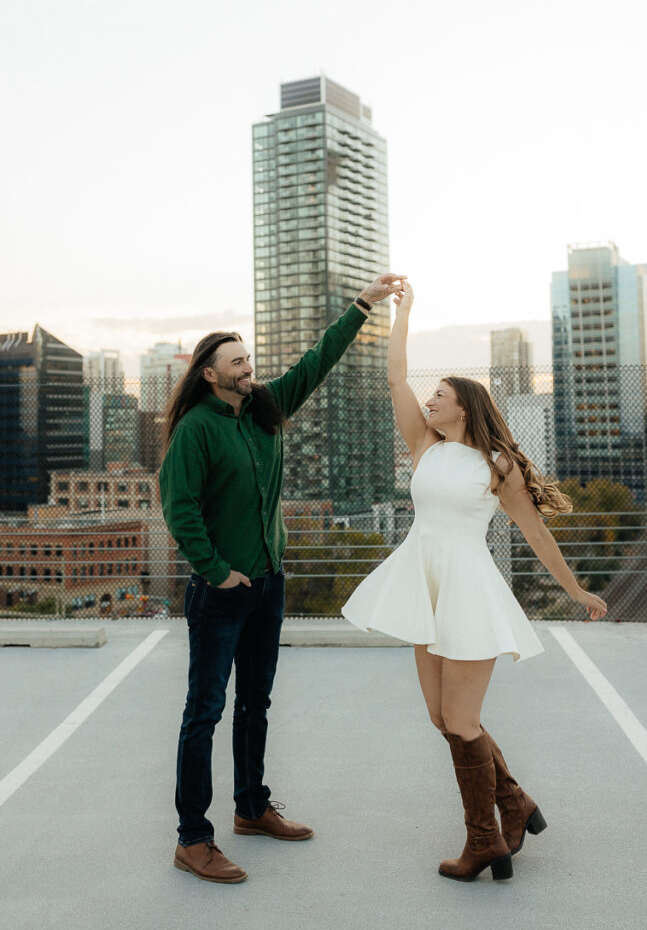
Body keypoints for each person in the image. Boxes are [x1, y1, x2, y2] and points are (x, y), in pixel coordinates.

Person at [342, 281, 607, 883]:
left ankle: (485, 840)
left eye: (440, 395)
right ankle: (513, 803)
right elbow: (395, 376)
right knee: (443, 720)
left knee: (462, 722)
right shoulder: (423, 447)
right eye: (429, 395)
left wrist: (574, 591)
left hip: (466, 588)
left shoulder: (498, 465)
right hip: (422, 580)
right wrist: (402, 315)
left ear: (465, 405)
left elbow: (536, 533)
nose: (429, 401)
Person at [159, 272, 406, 885]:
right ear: (209, 375)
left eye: (248, 359)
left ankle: (251, 808)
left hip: (269, 584)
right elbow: (178, 507)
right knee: (205, 711)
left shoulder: (264, 410)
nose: (248, 368)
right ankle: (193, 838)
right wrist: (216, 572)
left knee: (256, 702)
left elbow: (315, 363)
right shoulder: (196, 430)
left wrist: (362, 307)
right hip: (221, 592)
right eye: (236, 362)